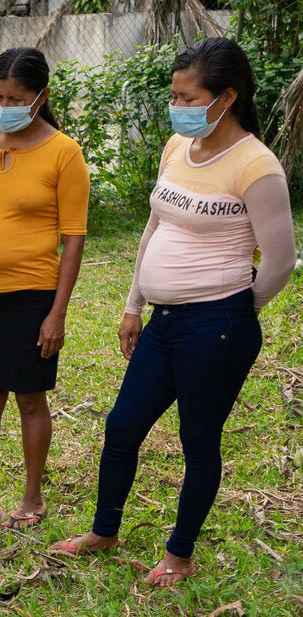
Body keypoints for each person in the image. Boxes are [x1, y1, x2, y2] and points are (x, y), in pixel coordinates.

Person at [51, 38, 295, 587]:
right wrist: (134, 302)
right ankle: (103, 531)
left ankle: (179, 555)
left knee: (197, 440)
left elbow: (281, 261)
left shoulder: (257, 166)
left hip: (218, 324)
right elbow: (155, 225)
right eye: (175, 94)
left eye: (189, 96)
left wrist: (233, 310)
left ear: (227, 97)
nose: (178, 104)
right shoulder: (177, 145)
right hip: (163, 321)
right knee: (122, 427)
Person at [0, 47, 89, 531]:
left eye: (16, 97)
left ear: (41, 96)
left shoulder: (64, 152)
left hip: (33, 297)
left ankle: (31, 497)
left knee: (30, 398)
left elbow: (73, 240)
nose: (4, 105)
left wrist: (57, 313)